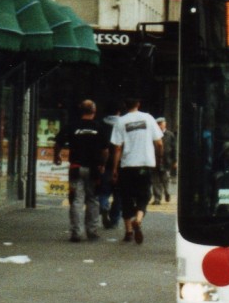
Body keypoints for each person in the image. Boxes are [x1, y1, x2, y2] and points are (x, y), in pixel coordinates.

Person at [52, 100, 112, 242]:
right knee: (93, 199)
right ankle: (92, 231)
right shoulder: (99, 127)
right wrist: (102, 164)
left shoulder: (72, 126)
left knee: (76, 200)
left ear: (81, 111)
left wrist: (57, 156)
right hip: (94, 169)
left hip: (76, 167)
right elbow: (105, 150)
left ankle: (77, 233)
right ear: (94, 111)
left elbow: (58, 143)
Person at [110, 97, 163, 244]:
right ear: (138, 104)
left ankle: (128, 231)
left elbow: (118, 147)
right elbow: (159, 143)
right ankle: (138, 219)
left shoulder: (120, 121)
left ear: (125, 105)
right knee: (144, 195)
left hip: (127, 165)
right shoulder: (148, 118)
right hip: (145, 164)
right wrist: (159, 159)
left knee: (126, 196)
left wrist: (114, 168)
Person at [150, 116, 175, 204]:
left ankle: (167, 193)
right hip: (155, 160)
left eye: (161, 124)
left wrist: (175, 160)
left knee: (165, 179)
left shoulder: (170, 135)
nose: (160, 126)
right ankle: (157, 198)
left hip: (166, 160)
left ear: (165, 124)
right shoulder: (153, 135)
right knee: (155, 180)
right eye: (158, 124)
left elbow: (174, 148)